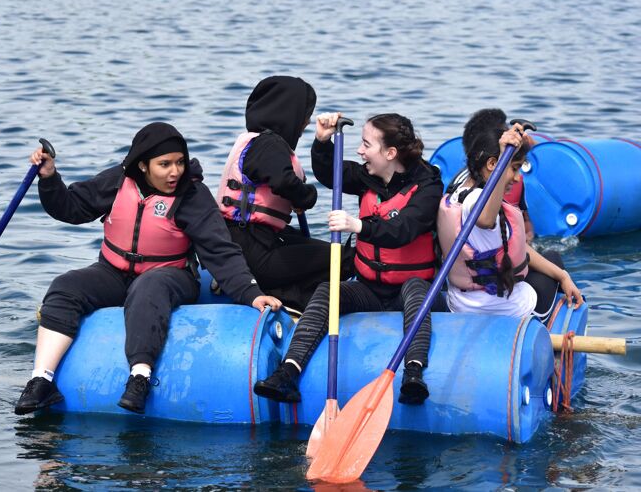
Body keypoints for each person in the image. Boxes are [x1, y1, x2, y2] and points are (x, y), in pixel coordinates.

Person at [14, 122, 281, 416]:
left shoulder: (192, 195)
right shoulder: (118, 181)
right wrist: (49, 178)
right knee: (66, 285)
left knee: (148, 287)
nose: (175, 172)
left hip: (172, 275)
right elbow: (70, 207)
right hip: (113, 272)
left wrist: (251, 293)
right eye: (164, 164)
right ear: (143, 165)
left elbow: (221, 252)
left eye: (179, 162)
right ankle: (42, 380)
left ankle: (139, 378)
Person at [254, 112, 443, 406]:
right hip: (370, 288)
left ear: (390, 153)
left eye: (367, 144)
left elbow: (403, 229)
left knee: (419, 290)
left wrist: (358, 226)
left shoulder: (428, 186)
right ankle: (288, 372)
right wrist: (322, 141)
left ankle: (413, 373)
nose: (359, 151)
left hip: (407, 288)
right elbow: (330, 173)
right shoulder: (368, 177)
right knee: (327, 290)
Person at [217, 76, 350, 312]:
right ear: (289, 113)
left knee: (315, 247)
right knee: (344, 258)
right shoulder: (269, 145)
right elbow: (283, 182)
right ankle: (289, 299)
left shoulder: (256, 142)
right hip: (255, 252)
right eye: (305, 115)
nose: (306, 122)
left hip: (243, 242)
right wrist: (307, 196)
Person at [438, 119, 584, 320]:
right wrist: (503, 161)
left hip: (460, 303)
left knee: (552, 268)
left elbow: (517, 248)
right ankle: (549, 326)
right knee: (553, 258)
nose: (517, 178)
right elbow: (485, 219)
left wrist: (562, 275)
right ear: (492, 164)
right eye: (514, 168)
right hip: (502, 310)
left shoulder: (460, 191)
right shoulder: (476, 201)